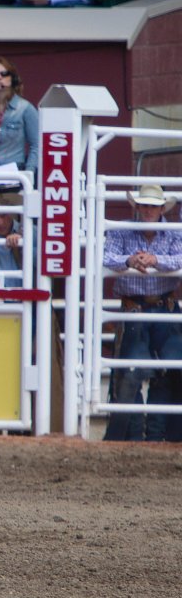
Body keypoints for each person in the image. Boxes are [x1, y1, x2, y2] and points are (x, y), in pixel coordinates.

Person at [103, 184, 182, 442]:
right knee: (132, 371)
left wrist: (155, 260)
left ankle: (162, 436)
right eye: (144, 205)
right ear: (137, 207)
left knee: (172, 368)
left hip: (164, 306)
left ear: (161, 208)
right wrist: (129, 261)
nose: (148, 210)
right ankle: (134, 438)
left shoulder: (174, 232)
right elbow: (106, 256)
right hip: (135, 307)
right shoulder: (123, 229)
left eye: (152, 206)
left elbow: (180, 258)